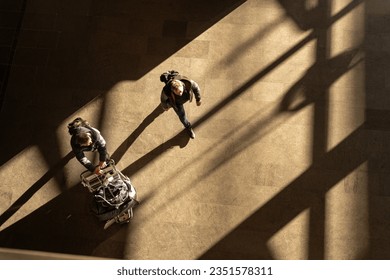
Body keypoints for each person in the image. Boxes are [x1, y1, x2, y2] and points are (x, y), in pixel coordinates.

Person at [160, 72, 202, 139]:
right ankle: (188, 127)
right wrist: (165, 107)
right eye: (177, 93)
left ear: (182, 85)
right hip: (176, 103)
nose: (180, 94)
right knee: (182, 116)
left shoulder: (189, 83)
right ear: (172, 90)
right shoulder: (166, 91)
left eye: (180, 91)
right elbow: (163, 99)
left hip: (184, 99)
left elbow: (196, 87)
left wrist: (198, 99)